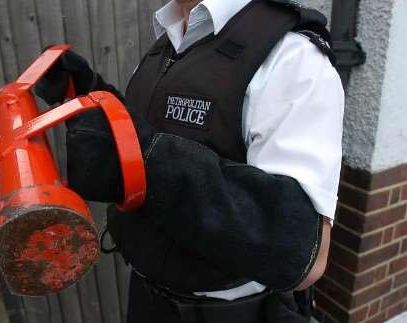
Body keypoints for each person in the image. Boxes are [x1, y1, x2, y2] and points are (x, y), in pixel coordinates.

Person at [36, 0, 344, 322]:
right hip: (147, 299)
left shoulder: (292, 58)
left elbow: (301, 252)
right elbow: (159, 131)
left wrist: (142, 161)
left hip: (226, 314)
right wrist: (84, 92)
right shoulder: (172, 38)